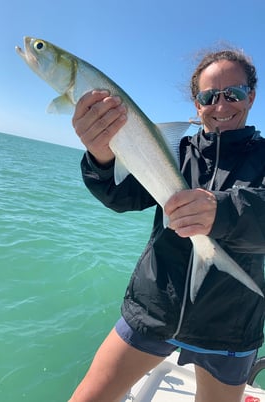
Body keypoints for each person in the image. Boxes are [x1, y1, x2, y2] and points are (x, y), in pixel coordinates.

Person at [69, 48, 265, 402]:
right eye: (209, 96)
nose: (221, 106)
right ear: (197, 104)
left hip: (229, 326)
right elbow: (122, 196)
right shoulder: (175, 151)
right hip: (153, 311)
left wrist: (222, 211)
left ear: (251, 96)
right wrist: (101, 156)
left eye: (233, 94)